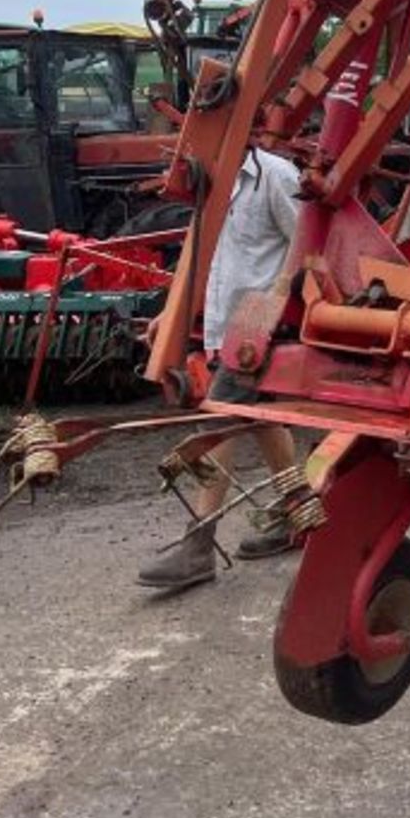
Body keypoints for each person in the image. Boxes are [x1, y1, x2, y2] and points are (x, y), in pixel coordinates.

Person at [137, 145, 303, 594]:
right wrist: (171, 314)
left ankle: (198, 547)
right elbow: (203, 257)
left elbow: (306, 240)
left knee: (219, 421)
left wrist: (273, 305)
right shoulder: (210, 180)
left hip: (257, 322)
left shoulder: (276, 176)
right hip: (223, 322)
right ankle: (300, 514)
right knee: (260, 423)